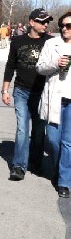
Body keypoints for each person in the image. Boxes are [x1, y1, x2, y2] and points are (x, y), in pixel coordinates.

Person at [2, 8, 53, 181]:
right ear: (32, 22)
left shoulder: (51, 42)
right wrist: (5, 90)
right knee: (22, 129)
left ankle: (36, 162)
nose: (45, 24)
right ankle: (18, 166)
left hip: (42, 93)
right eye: (42, 21)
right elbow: (10, 66)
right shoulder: (17, 41)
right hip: (22, 91)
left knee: (39, 130)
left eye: (47, 22)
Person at [36, 11, 71, 196]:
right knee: (53, 140)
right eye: (63, 26)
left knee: (68, 143)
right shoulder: (51, 43)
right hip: (55, 98)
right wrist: (56, 63)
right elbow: (40, 67)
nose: (65, 29)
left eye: (69, 26)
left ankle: (64, 181)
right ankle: (59, 168)